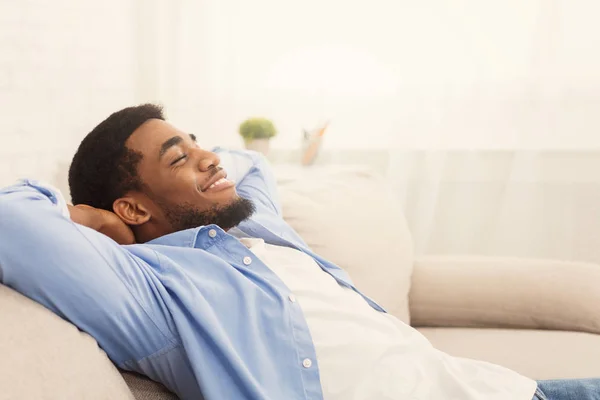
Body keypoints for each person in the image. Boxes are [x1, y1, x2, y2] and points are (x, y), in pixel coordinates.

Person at [0, 104, 597, 400]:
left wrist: (190, 159)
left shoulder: (256, 227)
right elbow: (9, 217)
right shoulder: (154, 291)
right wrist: (86, 215)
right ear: (132, 208)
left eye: (197, 143)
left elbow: (251, 161)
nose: (210, 159)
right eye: (178, 159)